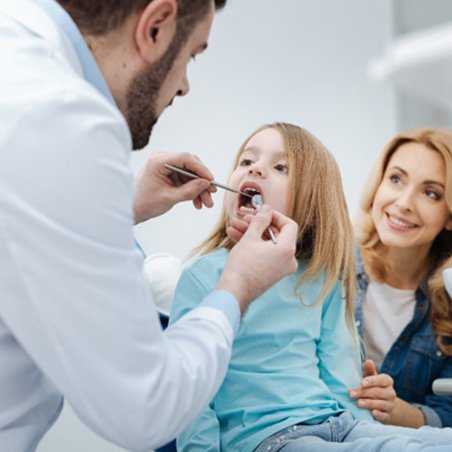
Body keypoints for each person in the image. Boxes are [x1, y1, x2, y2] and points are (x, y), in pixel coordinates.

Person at [0, 1, 299, 450]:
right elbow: (144, 409)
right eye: (192, 55)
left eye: (281, 168)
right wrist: (237, 285)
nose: (183, 86)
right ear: (155, 26)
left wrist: (126, 206)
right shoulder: (65, 118)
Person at [170, 122, 452, 451]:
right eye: (247, 161)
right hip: (270, 439)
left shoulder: (321, 276)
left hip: (337, 425)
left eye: (280, 167)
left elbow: (341, 383)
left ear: (310, 199)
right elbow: (191, 396)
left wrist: (375, 434)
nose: (257, 169)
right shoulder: (201, 277)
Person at [349, 128, 452, 428]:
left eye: (430, 192)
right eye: (396, 179)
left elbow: (448, 412)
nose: (404, 202)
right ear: (378, 185)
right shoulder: (329, 268)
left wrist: (396, 410)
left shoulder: (448, 298)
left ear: (449, 216)